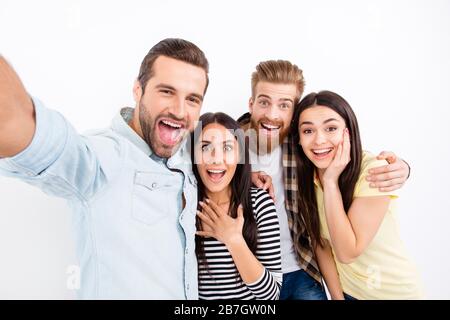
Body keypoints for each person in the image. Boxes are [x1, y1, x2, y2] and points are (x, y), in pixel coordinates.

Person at [0, 38, 209, 299]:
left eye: (192, 99)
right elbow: (26, 130)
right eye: (166, 91)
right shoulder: (104, 157)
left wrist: (252, 171)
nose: (180, 111)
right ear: (137, 90)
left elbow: (235, 140)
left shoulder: (184, 153)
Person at [237, 60, 412, 299]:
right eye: (264, 102)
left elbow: (346, 154)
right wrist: (246, 176)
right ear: (251, 103)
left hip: (301, 270)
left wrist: (403, 167)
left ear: (294, 112)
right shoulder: (226, 145)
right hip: (249, 274)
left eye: (284, 105)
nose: (273, 114)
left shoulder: (304, 150)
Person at [291, 90, 423, 299]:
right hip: (349, 293)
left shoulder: (373, 171)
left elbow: (347, 252)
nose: (319, 140)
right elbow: (321, 244)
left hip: (394, 293)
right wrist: (337, 297)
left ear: (348, 132)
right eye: (308, 131)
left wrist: (331, 182)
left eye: (331, 128)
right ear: (298, 138)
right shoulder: (307, 178)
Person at [192, 112, 282, 299]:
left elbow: (271, 295)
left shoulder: (259, 204)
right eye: (205, 147)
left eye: (227, 148)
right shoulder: (185, 206)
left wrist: (234, 240)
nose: (216, 159)